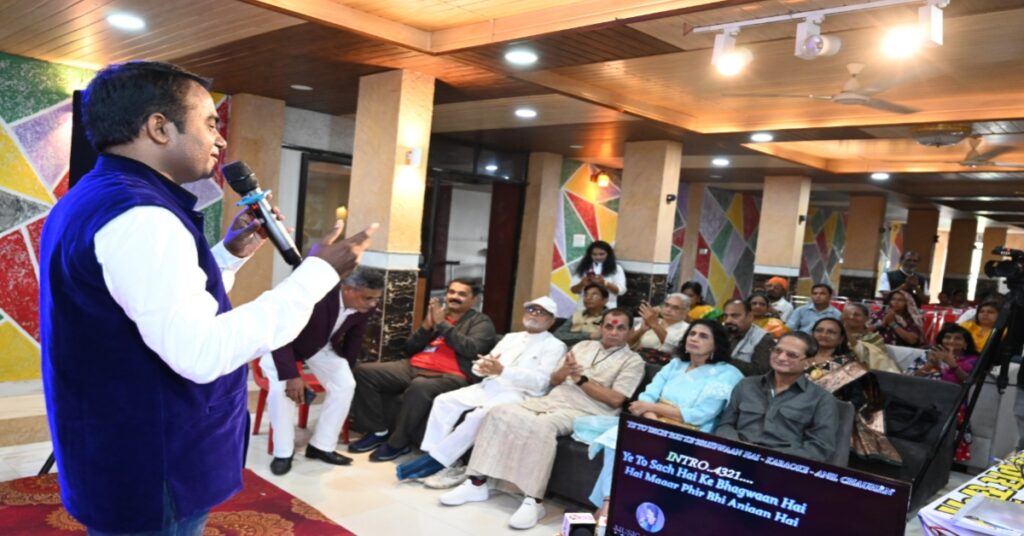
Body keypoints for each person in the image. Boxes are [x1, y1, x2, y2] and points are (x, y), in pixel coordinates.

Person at [38, 61, 375, 534]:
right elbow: (200, 351)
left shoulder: (94, 196)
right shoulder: (142, 216)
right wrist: (318, 274)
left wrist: (229, 255)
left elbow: (152, 302)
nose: (220, 140)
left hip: (115, 440)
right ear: (159, 127)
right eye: (211, 123)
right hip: (155, 460)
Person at [439, 309, 645, 530]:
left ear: (629, 331)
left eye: (620, 328)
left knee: (541, 426)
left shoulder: (633, 361)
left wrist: (580, 380)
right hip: (552, 400)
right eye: (609, 326)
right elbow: (555, 380)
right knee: (498, 413)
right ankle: (476, 482)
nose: (613, 332)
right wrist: (565, 371)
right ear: (601, 327)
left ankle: (533, 501)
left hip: (587, 411)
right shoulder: (583, 346)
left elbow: (616, 400)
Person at [575, 320, 742, 519]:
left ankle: (605, 512)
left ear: (717, 344)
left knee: (636, 444)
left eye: (703, 336)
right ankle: (608, 504)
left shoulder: (727, 373)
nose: (694, 338)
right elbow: (646, 397)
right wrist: (654, 422)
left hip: (691, 432)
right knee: (616, 439)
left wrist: (652, 409)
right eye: (692, 333)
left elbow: (701, 413)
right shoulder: (675, 364)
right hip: (653, 422)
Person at [394, 297, 566, 487]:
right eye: (531, 310)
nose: (533, 314)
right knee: (444, 400)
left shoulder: (555, 346)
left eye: (540, 312)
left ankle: (434, 464)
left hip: (519, 395)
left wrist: (503, 371)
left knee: (477, 416)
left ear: (551, 320)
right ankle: (438, 460)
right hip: (490, 385)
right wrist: (481, 368)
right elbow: (485, 361)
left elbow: (541, 382)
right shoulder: (511, 338)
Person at [349, 278, 497, 461]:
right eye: (451, 292)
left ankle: (398, 443)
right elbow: (410, 348)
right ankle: (377, 431)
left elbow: (472, 350)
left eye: (462, 294)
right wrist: (427, 326)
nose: (454, 297)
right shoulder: (439, 316)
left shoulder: (481, 322)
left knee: (420, 386)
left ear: (474, 299)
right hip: (414, 366)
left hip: (451, 374)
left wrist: (442, 325)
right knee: (364, 372)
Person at [259, 268, 383, 476]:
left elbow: (355, 336)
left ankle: (321, 446)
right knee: (282, 392)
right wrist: (292, 376)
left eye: (376, 298)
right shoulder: (316, 296)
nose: (373, 304)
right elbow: (280, 333)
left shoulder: (365, 307)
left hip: (318, 346)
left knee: (345, 384)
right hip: (281, 345)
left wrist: (346, 366)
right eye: (368, 298)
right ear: (349, 289)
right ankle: (283, 453)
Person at [715, 332, 839, 462]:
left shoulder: (821, 399)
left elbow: (819, 448)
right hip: (735, 456)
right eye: (777, 350)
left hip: (783, 464)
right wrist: (738, 447)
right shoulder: (747, 385)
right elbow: (725, 425)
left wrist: (770, 458)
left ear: (808, 362)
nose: (781, 357)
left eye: (792, 355)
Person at [806, 318, 902, 465]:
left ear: (841, 339)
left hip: (826, 418)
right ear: (812, 334)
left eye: (831, 332)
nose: (824, 334)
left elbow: (856, 402)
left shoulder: (850, 367)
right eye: (819, 330)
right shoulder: (796, 357)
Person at [904, 324, 979, 462]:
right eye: (947, 337)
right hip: (922, 400)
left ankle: (939, 462)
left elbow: (970, 381)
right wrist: (929, 365)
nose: (951, 341)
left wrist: (953, 365)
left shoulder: (972, 360)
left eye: (958, 338)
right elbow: (908, 378)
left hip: (951, 405)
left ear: (965, 344)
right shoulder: (928, 354)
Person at [628, 293, 690, 364]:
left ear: (686, 312)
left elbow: (675, 348)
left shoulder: (688, 329)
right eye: (666, 305)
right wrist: (642, 330)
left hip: (668, 366)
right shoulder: (652, 321)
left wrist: (655, 325)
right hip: (638, 361)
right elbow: (627, 344)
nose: (668, 310)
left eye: (675, 308)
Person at [721, 299, 775, 376]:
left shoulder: (763, 339)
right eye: (726, 316)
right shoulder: (720, 333)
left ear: (750, 316)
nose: (728, 320)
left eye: (735, 316)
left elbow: (760, 372)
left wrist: (724, 359)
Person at [842, 303, 900, 373]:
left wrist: (853, 342)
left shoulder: (874, 339)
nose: (851, 317)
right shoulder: (836, 335)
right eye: (847, 314)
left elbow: (875, 361)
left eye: (856, 315)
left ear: (867, 318)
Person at [570, 241, 626, 309]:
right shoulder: (584, 267)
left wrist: (604, 283)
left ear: (608, 254)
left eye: (601, 254)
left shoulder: (616, 268)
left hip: (607, 307)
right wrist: (582, 284)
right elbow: (573, 290)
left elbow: (621, 291)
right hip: (584, 307)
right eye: (594, 254)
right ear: (589, 255)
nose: (598, 257)